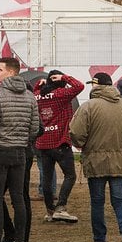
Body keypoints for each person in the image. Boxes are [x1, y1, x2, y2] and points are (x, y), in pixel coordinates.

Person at [69, 72, 122, 242]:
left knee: (97, 202)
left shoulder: (88, 107)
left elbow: (76, 134)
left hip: (96, 162)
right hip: (121, 162)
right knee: (120, 201)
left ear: (96, 85)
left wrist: (81, 145)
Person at [0, 57, 41, 242]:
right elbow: (34, 128)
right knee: (19, 199)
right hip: (20, 152)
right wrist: (23, 141)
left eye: (0, 70)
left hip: (0, 150)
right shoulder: (30, 97)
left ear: (11, 72)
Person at [34, 69, 84, 223]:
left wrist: (39, 84)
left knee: (47, 179)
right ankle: (60, 207)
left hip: (42, 143)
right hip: (60, 143)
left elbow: (35, 91)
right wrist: (64, 77)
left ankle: (50, 210)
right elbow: (79, 86)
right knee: (70, 175)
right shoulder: (62, 95)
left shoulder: (38, 96)